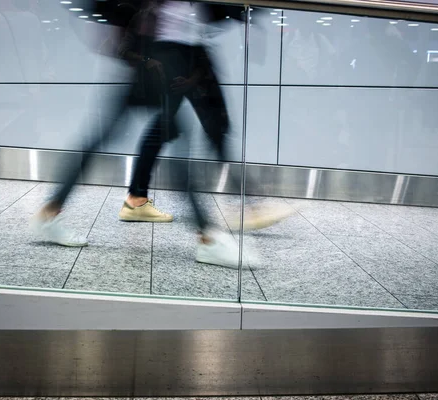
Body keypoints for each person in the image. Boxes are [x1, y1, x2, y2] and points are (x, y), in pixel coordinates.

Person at [32, 0, 290, 268]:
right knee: (175, 138)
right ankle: (208, 237)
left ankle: (54, 210)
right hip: (161, 56)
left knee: (141, 134)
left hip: (182, 54)